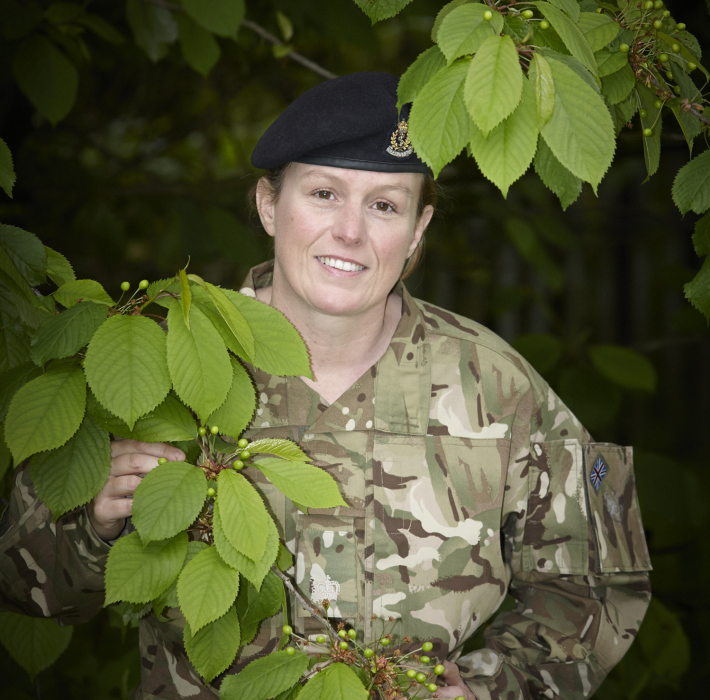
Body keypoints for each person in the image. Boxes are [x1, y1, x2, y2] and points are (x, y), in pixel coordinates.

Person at [0, 72, 652, 700]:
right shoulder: (153, 363)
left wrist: (493, 686)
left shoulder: (497, 383)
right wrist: (95, 527)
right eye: (323, 194)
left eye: (385, 205)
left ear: (418, 231)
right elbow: (18, 579)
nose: (350, 231)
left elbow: (602, 580)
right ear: (267, 204)